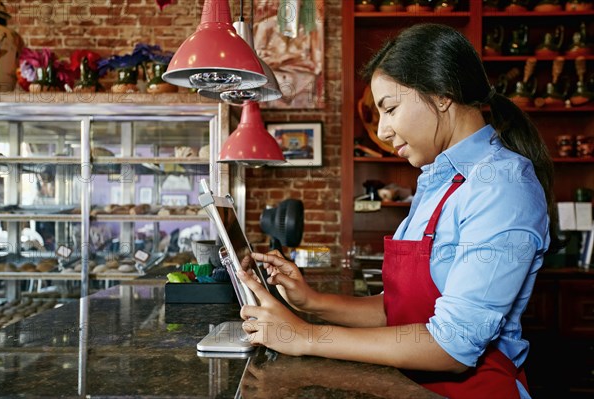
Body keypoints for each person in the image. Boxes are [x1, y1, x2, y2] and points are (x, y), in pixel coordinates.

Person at [237, 23, 561, 399]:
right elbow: (403, 311)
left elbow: (452, 345)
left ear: (442, 94)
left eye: (389, 109)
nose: (384, 130)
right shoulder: (437, 180)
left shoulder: (502, 185)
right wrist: (312, 302)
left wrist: (306, 335)